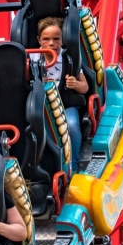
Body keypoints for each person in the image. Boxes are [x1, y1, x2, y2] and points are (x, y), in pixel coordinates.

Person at [38, 17, 88, 173]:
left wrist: (75, 84)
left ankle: (72, 165)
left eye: (56, 39)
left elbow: (85, 87)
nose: (51, 43)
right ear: (39, 40)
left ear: (62, 40)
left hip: (65, 103)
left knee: (71, 125)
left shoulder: (69, 59)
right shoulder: (31, 58)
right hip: (40, 106)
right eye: (46, 39)